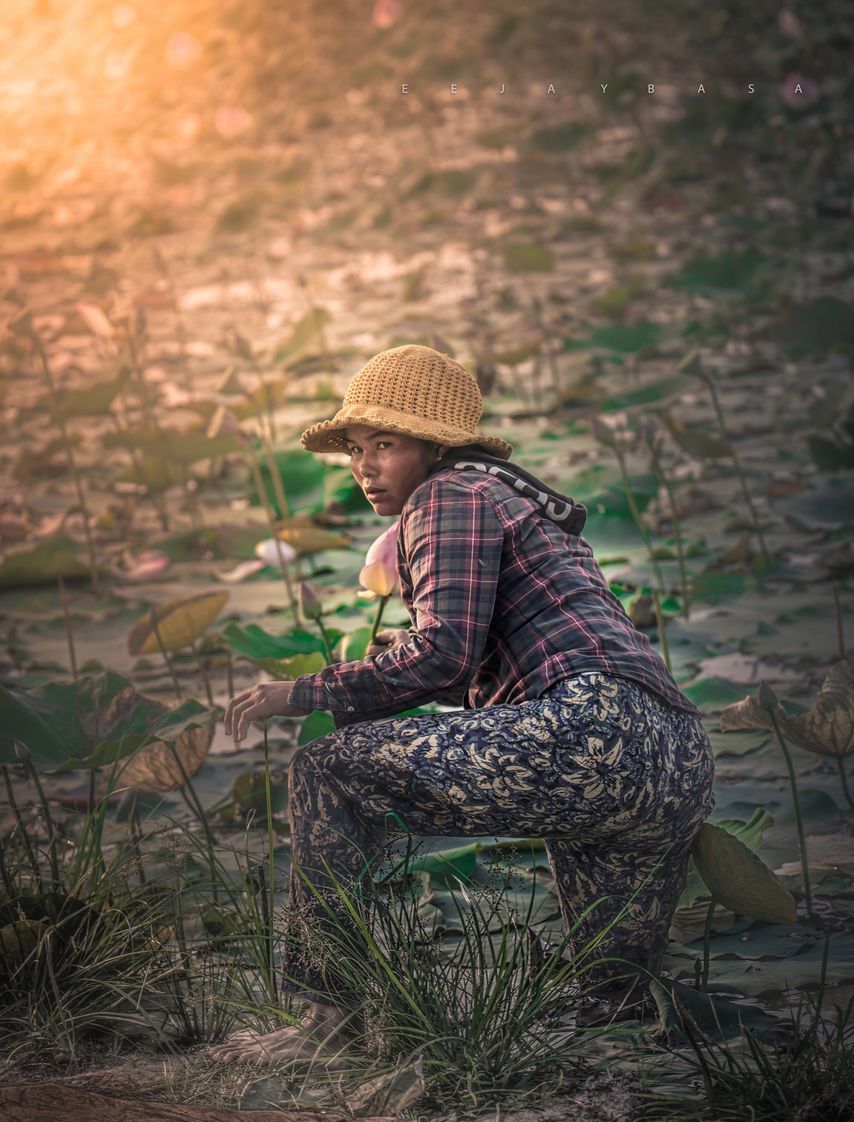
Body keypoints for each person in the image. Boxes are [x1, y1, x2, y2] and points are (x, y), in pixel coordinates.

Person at [208, 344, 716, 1066]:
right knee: (614, 1007)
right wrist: (388, 670)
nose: (363, 466)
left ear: (436, 445)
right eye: (355, 449)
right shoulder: (516, 502)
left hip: (587, 732)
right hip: (673, 756)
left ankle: (330, 1026)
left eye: (385, 444)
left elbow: (442, 653)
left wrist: (303, 692)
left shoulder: (448, 495)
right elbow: (459, 669)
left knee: (327, 770)